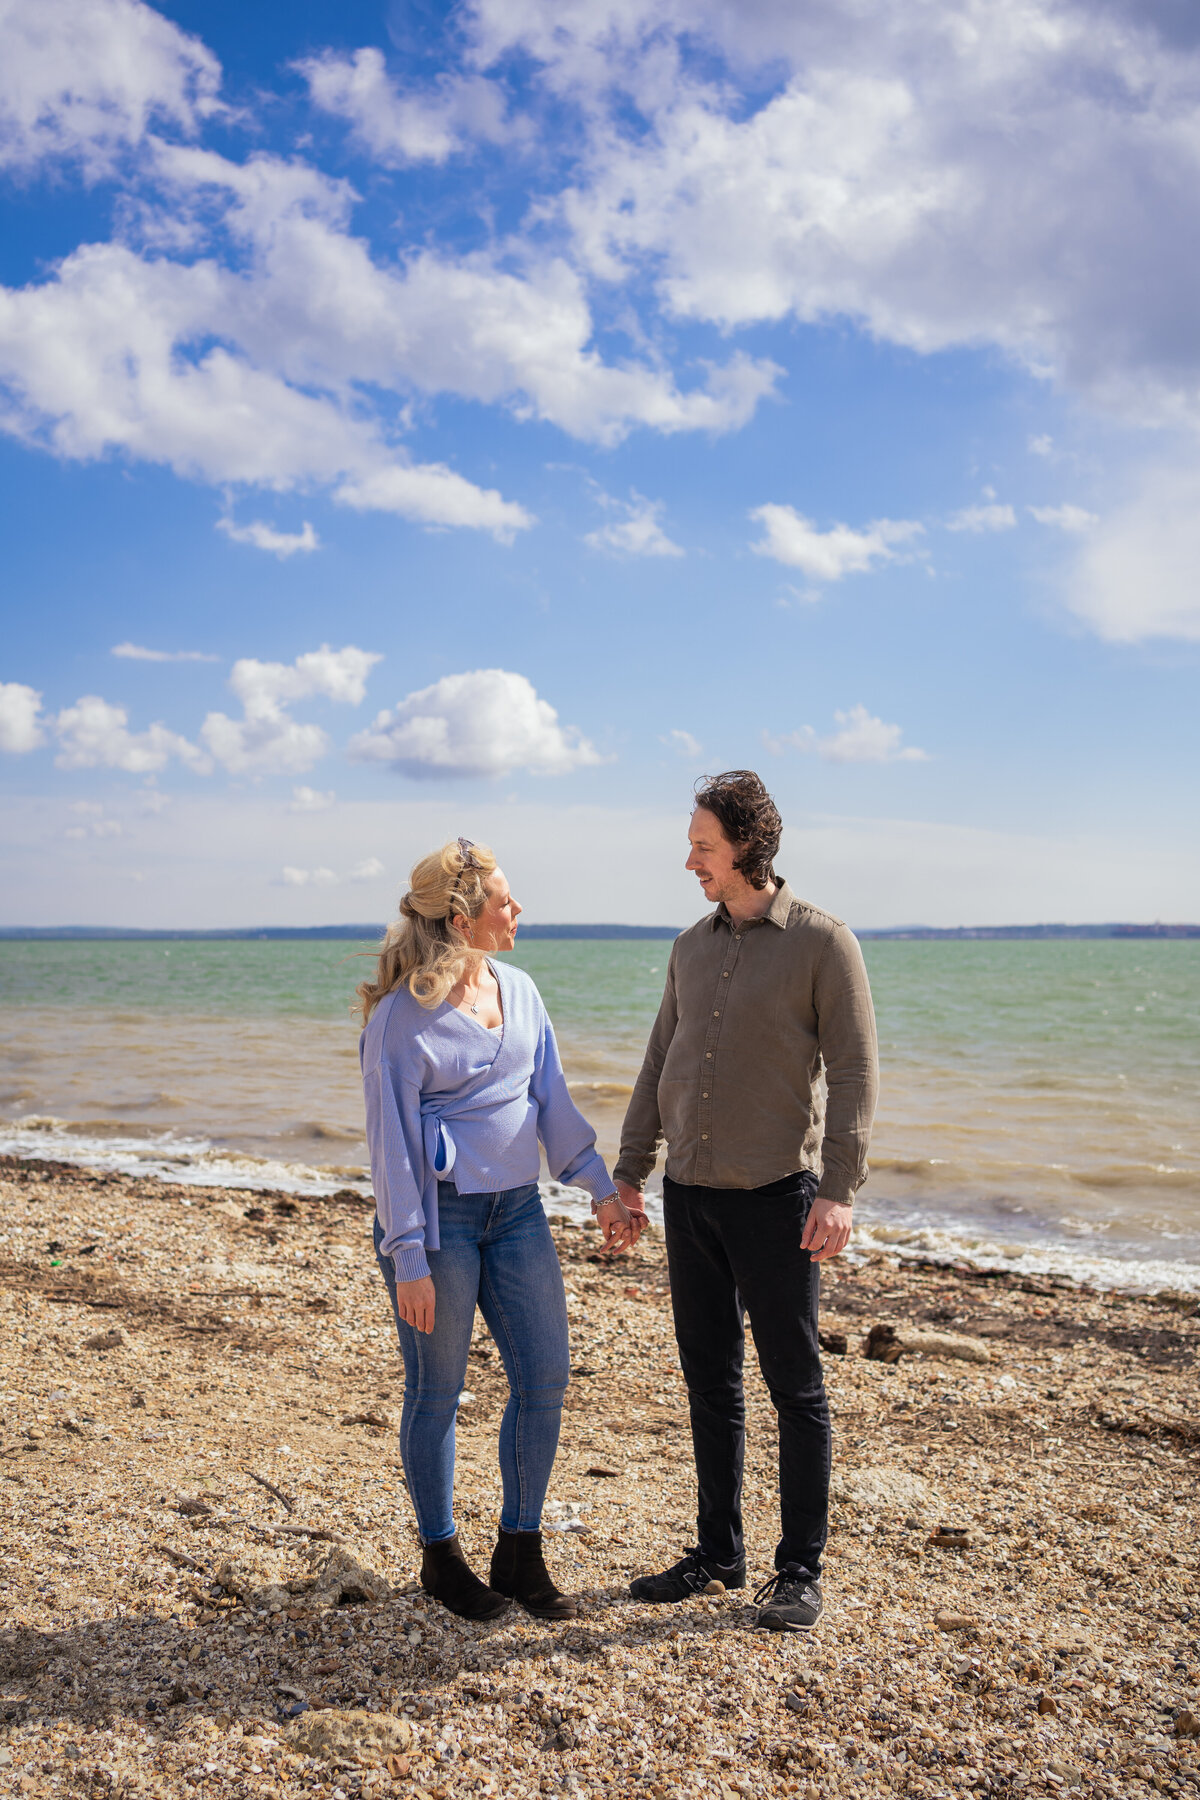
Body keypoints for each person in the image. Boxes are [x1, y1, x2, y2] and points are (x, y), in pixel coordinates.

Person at [614, 772, 878, 1632]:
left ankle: (799, 1571)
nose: (690, 859)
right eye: (693, 845)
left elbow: (856, 1074)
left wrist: (839, 1190)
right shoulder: (689, 947)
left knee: (795, 1388)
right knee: (709, 1382)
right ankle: (718, 1551)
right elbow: (661, 1060)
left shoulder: (824, 945)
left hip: (777, 1200)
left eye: (703, 846)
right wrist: (630, 1167)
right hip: (689, 1197)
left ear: (746, 848)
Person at [358, 837, 646, 1622]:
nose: (518, 912)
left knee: (545, 1381)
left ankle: (520, 1553)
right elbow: (389, 1151)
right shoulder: (399, 1021)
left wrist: (600, 1192)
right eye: (505, 902)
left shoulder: (521, 991)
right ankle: (442, 1560)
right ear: (461, 917)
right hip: (439, 1226)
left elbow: (552, 1103)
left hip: (517, 1214)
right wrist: (407, 1255)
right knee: (437, 1393)